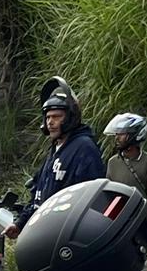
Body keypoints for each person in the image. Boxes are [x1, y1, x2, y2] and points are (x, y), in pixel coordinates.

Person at [100, 113, 147, 271]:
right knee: (115, 270)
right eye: (117, 134)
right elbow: (108, 193)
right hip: (116, 224)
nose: (117, 138)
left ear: (134, 135)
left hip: (138, 226)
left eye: (122, 134)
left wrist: (144, 217)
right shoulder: (113, 163)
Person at [26, 77, 106, 214]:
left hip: (66, 229)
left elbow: (92, 198)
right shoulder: (55, 149)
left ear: (70, 117)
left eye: (56, 117)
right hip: (45, 226)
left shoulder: (85, 148)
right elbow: (37, 196)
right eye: (48, 117)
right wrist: (20, 223)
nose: (50, 122)